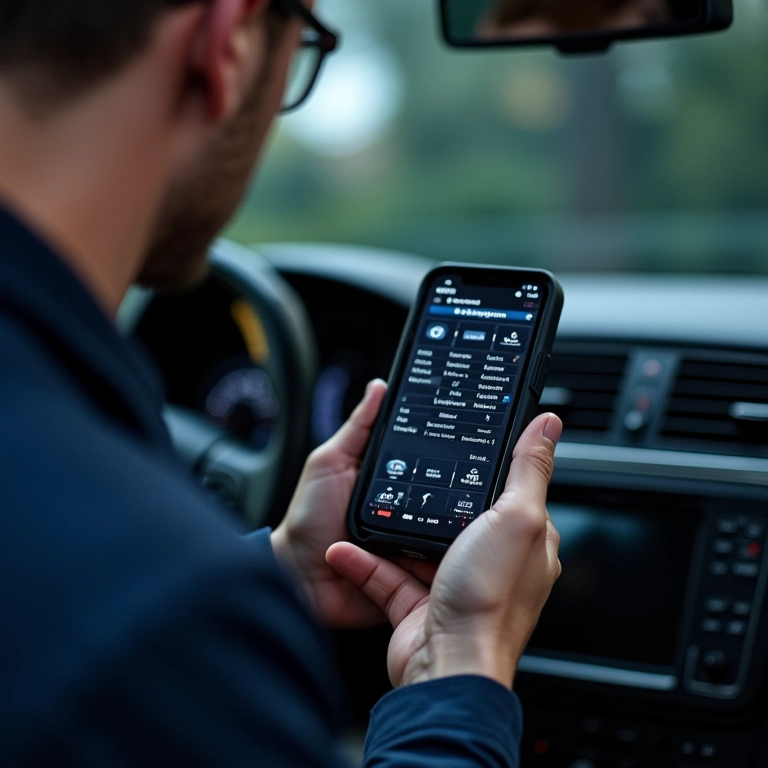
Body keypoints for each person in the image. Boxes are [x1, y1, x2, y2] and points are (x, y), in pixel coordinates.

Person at [0, 1, 563, 765]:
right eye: (302, 50)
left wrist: (277, 570)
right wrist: (462, 667)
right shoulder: (162, 617)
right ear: (225, 41)